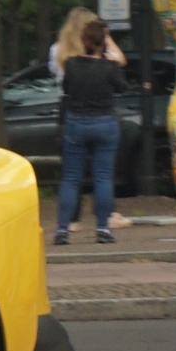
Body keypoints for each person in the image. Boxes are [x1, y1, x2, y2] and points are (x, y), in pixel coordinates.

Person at [54, 14, 129, 245]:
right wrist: (109, 41)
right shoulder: (109, 67)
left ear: (83, 40)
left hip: (77, 122)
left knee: (70, 178)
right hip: (105, 122)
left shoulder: (72, 65)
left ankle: (62, 229)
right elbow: (121, 85)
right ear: (102, 42)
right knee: (103, 177)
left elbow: (67, 89)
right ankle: (103, 229)